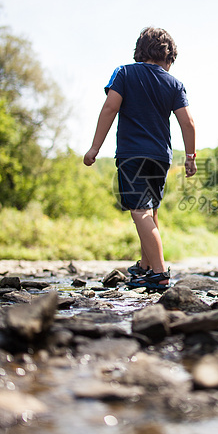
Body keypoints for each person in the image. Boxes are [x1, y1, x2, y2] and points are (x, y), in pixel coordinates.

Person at [83, 27, 196, 289]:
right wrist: (190, 156)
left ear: (140, 51)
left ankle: (159, 272)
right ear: (168, 57)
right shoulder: (174, 83)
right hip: (160, 157)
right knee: (150, 210)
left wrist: (94, 148)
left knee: (140, 211)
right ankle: (146, 267)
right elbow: (188, 123)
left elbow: (110, 107)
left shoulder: (124, 73)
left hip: (132, 154)